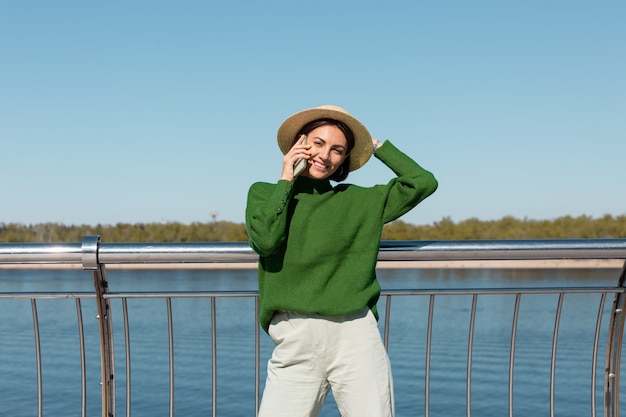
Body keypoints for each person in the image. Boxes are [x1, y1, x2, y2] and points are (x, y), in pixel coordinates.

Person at [245, 105, 438, 417]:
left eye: (338, 150)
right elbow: (265, 240)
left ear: (344, 160)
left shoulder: (359, 200)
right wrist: (286, 178)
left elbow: (422, 182)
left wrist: (374, 146)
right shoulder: (265, 193)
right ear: (300, 143)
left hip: (355, 336)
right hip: (295, 337)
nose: (325, 155)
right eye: (318, 143)